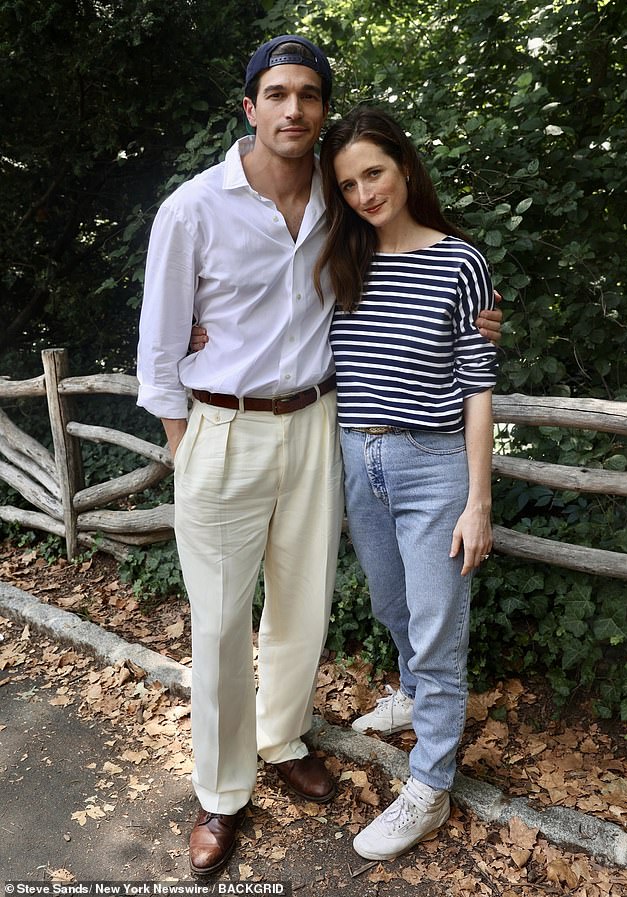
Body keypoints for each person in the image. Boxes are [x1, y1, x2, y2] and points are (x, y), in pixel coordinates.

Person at [138, 35, 502, 875]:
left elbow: (426, 271)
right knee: (219, 623)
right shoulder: (193, 208)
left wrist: (480, 319)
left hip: (318, 424)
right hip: (222, 428)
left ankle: (281, 738)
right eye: (276, 93)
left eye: (308, 94)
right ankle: (221, 792)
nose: (293, 108)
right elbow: (158, 351)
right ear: (250, 107)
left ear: (323, 110)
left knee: (302, 608)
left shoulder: (342, 209)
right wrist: (188, 449)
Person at [312, 106, 498, 861]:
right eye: (348, 184)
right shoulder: (341, 260)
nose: (364, 194)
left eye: (374, 173)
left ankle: (429, 785)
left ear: (405, 167)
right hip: (359, 460)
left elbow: (477, 386)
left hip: (433, 465)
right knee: (393, 604)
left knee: (436, 625)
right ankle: (414, 695)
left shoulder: (460, 262)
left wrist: (478, 501)